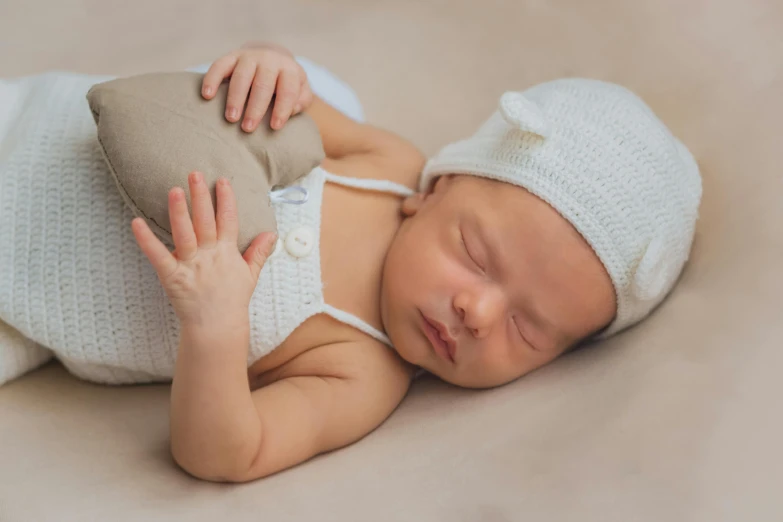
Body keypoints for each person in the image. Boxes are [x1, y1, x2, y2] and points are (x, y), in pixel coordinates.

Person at [0, 42, 701, 482]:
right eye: (475, 255)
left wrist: (214, 329)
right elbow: (268, 105)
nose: (478, 312)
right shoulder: (382, 162)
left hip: (28, 309)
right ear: (434, 188)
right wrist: (267, 66)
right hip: (39, 125)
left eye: (529, 330)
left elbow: (224, 454)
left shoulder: (360, 372)